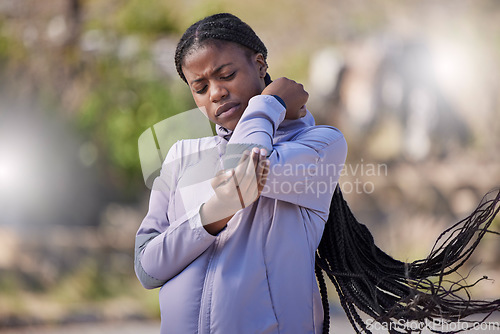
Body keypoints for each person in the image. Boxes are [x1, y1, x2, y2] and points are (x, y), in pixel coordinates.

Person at [135, 13, 500, 334]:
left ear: (260, 64)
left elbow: (239, 168)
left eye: (226, 74)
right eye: (199, 88)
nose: (215, 93)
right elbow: (148, 267)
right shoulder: (181, 156)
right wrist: (211, 217)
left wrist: (269, 104)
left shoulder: (319, 144)